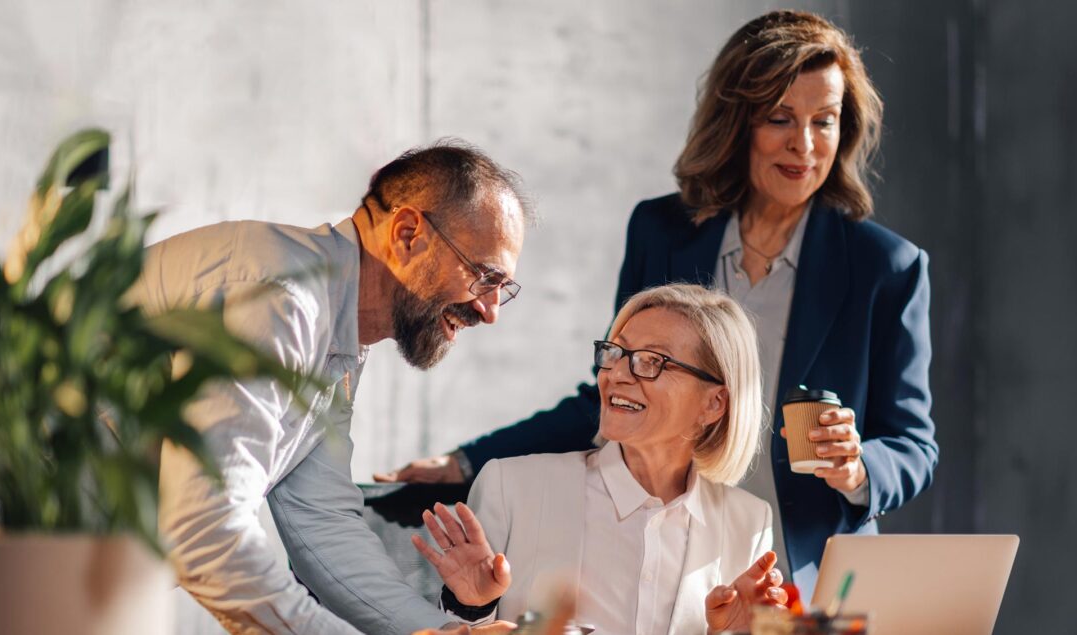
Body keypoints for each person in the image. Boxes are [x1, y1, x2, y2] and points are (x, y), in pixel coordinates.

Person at [377, 10, 939, 600]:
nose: (804, 144)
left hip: (813, 574)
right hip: (673, 561)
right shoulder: (663, 231)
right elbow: (616, 387)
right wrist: (466, 461)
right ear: (738, 120)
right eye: (780, 118)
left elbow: (913, 445)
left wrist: (855, 470)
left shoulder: (886, 267)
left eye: (824, 121)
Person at [137, 141, 535, 633]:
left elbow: (320, 519)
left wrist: (443, 631)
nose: (489, 311)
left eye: (503, 290)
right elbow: (207, 527)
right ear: (409, 233)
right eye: (483, 276)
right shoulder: (283, 300)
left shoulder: (332, 322)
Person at [413, 284, 788, 633]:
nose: (617, 375)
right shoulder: (511, 488)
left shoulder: (750, 522)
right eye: (616, 353)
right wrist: (473, 606)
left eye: (651, 361)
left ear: (714, 403)